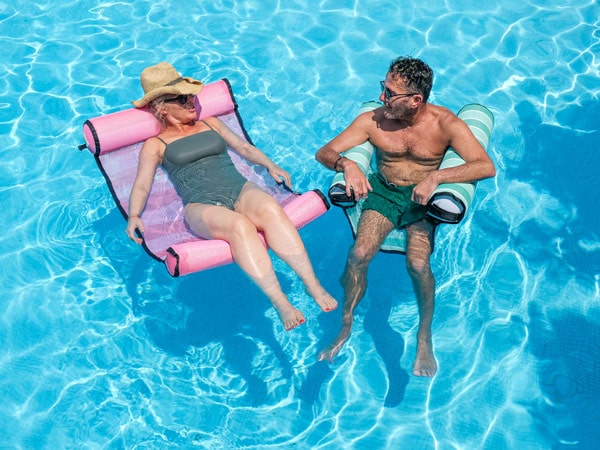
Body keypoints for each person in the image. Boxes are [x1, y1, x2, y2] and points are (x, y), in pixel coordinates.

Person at [315, 56, 496, 377]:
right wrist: (348, 164)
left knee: (418, 264)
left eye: (390, 93)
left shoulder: (445, 125)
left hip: (420, 202)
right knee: (358, 254)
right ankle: (345, 324)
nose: (383, 98)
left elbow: (484, 166)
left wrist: (436, 177)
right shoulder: (374, 120)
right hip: (384, 193)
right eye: (382, 89)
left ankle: (423, 336)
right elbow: (325, 152)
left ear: (416, 100)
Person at [126, 62, 338, 331]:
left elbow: (243, 148)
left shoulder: (211, 124)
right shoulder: (155, 145)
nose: (191, 101)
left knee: (271, 208)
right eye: (181, 97)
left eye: (191, 95)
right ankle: (281, 302)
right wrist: (134, 215)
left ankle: (313, 285)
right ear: (161, 107)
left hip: (238, 188)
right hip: (200, 205)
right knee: (240, 226)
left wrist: (271, 165)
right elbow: (142, 184)